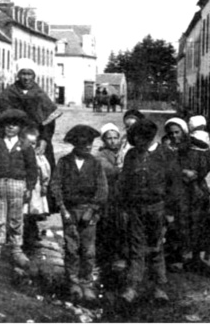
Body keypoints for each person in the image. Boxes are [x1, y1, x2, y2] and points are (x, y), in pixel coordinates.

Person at [0, 58, 62, 215]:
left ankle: (38, 210)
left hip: (36, 139)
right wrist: (1, 138)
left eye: (29, 74)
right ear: (18, 75)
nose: (26, 78)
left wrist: (44, 141)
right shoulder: (8, 93)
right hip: (13, 139)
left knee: (40, 171)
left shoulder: (40, 95)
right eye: (23, 74)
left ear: (34, 76)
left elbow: (49, 122)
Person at [119, 119, 182, 304]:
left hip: (158, 207)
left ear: (147, 137)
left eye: (139, 138)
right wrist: (124, 206)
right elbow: (124, 181)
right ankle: (132, 287)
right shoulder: (132, 154)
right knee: (136, 248)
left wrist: (170, 211)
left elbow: (174, 184)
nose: (136, 142)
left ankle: (160, 287)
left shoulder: (165, 154)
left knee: (156, 247)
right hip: (136, 208)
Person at [50, 124, 107, 303]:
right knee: (72, 248)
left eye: (90, 143)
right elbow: (55, 185)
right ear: (76, 144)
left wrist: (92, 210)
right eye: (84, 143)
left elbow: (102, 189)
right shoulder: (64, 162)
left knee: (88, 250)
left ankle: (86, 282)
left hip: (89, 211)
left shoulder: (95, 163)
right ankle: (72, 282)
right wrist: (62, 208)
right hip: (70, 211)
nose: (89, 146)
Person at [0, 109, 38, 268]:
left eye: (15, 125)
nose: (11, 127)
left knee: (16, 217)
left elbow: (32, 168)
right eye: (8, 124)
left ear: (20, 127)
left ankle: (16, 249)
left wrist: (30, 187)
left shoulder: (25, 146)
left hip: (18, 184)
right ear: (3, 126)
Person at [164, 117, 210, 271]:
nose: (174, 136)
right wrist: (181, 172)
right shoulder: (167, 148)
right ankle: (177, 256)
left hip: (196, 189)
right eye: (171, 133)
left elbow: (209, 162)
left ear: (184, 132)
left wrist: (198, 173)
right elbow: (164, 168)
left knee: (199, 221)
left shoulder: (196, 147)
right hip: (177, 191)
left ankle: (196, 257)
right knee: (178, 223)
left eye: (177, 132)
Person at [93, 123, 127, 271]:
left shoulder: (123, 152)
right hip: (109, 194)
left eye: (115, 137)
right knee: (108, 223)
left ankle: (120, 254)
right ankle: (107, 256)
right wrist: (122, 168)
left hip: (122, 194)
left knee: (122, 224)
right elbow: (110, 171)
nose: (113, 141)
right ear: (103, 140)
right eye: (109, 138)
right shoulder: (101, 155)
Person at [22, 126, 51, 239]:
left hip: (36, 188)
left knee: (34, 209)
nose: (30, 146)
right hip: (24, 186)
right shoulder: (20, 155)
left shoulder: (39, 157)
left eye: (33, 144)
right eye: (28, 143)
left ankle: (33, 231)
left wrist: (45, 184)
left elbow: (45, 170)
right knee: (23, 210)